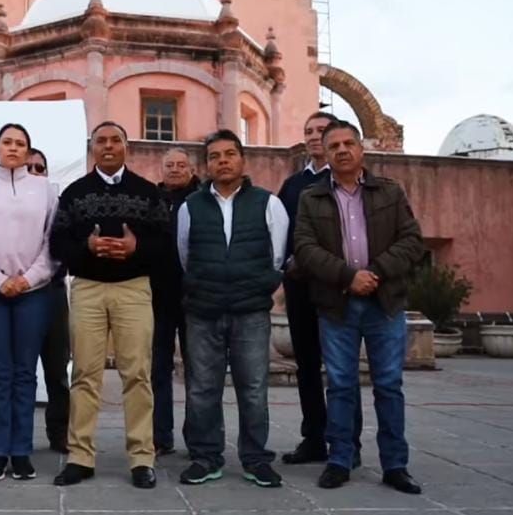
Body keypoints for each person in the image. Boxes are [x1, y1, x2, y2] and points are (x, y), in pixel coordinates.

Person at [293, 121, 425, 494]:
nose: (342, 150)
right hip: (338, 304)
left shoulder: (389, 192)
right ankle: (340, 460)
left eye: (348, 143)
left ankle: (395, 465)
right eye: (333, 145)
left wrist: (375, 273)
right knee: (340, 386)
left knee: (389, 385)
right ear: (324, 153)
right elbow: (305, 248)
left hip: (384, 303)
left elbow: (411, 240)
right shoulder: (311, 197)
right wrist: (348, 277)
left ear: (361, 149)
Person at [49, 121, 170, 490]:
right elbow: (57, 244)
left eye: (115, 140)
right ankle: (80, 456)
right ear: (93, 149)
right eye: (100, 141)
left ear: (125, 147)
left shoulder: (148, 192)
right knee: (85, 374)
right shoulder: (75, 193)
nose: (108, 146)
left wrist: (137, 247)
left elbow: (166, 245)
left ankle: (142, 457)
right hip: (87, 289)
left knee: (137, 374)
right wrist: (86, 247)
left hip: (134, 289)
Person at [175, 129, 288, 488]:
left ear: (242, 159)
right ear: (206, 165)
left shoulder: (268, 204)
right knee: (202, 389)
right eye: (214, 156)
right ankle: (205, 457)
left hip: (250, 312)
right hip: (203, 311)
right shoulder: (190, 206)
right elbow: (184, 255)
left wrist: (260, 285)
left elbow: (277, 257)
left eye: (229, 154)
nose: (222, 161)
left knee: (253, 389)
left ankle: (256, 459)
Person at [0, 124, 59, 481]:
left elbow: (52, 242)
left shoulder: (46, 190)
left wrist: (27, 279)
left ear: (28, 151)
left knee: (25, 373)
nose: (13, 148)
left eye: (20, 143)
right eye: (7, 142)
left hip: (34, 293)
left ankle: (21, 451)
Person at [277, 111, 363, 467]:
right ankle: (313, 437)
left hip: (338, 285)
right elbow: (280, 231)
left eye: (322, 130)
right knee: (307, 364)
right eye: (309, 131)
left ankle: (349, 442)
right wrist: (286, 264)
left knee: (342, 368)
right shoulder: (293, 185)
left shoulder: (347, 180)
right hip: (300, 285)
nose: (314, 136)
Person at [151, 147, 201, 456]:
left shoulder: (203, 200)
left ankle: (197, 438)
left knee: (197, 371)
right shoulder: (152, 201)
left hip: (195, 298)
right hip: (158, 298)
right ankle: (160, 436)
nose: (174, 169)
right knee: (158, 369)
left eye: (181, 165)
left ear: (192, 169)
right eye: (169, 165)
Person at [28, 147, 71, 454]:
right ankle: (17, 434)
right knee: (21, 371)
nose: (34, 173)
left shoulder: (59, 204)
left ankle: (60, 433)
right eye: (28, 167)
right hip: (20, 295)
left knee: (57, 370)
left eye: (39, 168)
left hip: (53, 292)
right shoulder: (2, 206)